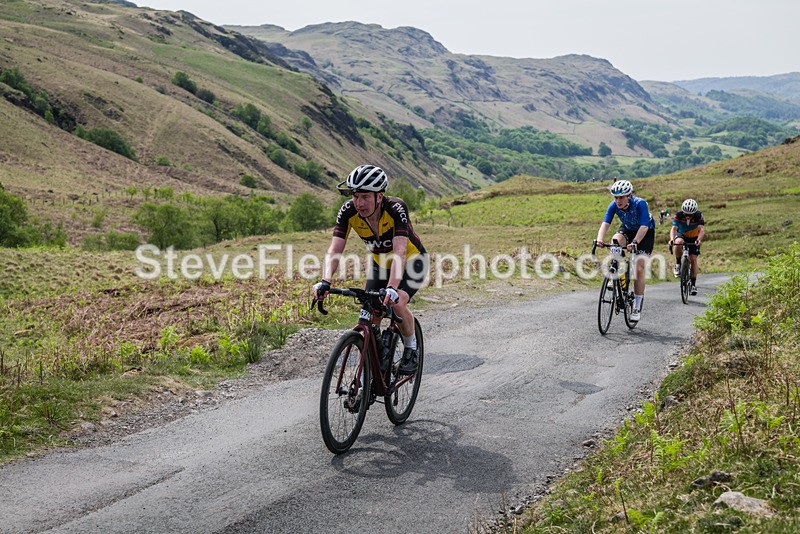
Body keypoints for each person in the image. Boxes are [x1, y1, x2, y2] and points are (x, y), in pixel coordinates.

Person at [312, 164, 428, 375]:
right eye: (356, 196)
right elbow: (335, 249)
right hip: (380, 264)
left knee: (397, 302)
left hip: (412, 261)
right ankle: (375, 359)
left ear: (379, 196)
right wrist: (325, 281)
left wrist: (392, 287)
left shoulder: (396, 209)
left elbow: (400, 251)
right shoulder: (348, 211)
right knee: (370, 314)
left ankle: (411, 348)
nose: (359, 203)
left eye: (365, 196)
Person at [595, 179, 656, 322]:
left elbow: (644, 227)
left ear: (629, 196)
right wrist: (599, 239)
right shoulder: (613, 205)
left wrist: (635, 242)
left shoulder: (640, 204)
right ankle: (615, 274)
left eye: (621, 197)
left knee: (639, 269)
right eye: (616, 197)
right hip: (628, 228)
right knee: (615, 242)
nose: (618, 200)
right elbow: (605, 224)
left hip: (645, 232)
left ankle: (636, 306)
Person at [670, 199, 705, 295]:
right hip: (682, 234)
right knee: (678, 243)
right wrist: (672, 239)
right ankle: (678, 264)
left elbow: (701, 230)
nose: (688, 216)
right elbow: (674, 228)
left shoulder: (699, 215)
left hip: (694, 237)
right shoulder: (679, 215)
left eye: (690, 214)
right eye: (686, 214)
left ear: (694, 213)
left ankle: (693, 284)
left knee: (693, 259)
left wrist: (699, 239)